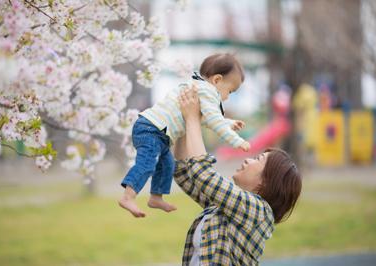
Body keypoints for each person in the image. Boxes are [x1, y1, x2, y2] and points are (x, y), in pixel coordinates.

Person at [173, 87, 302, 265]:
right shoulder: (227, 207)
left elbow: (203, 174)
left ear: (267, 181)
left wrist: (193, 119)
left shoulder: (258, 212)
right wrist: (185, 123)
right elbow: (185, 174)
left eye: (258, 159)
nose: (248, 160)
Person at [119, 53, 251, 218]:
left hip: (160, 134)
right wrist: (237, 141)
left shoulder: (197, 87)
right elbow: (214, 120)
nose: (227, 97)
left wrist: (229, 123)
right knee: (147, 163)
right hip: (151, 129)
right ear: (217, 80)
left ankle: (156, 197)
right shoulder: (207, 91)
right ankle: (128, 197)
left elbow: (203, 119)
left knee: (167, 164)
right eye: (230, 91)